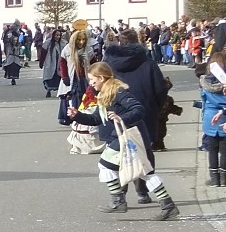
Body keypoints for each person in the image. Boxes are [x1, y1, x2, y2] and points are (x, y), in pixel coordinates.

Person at [66, 61, 179, 220]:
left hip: (131, 136)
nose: (91, 85)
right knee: (144, 170)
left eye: (93, 81)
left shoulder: (118, 91)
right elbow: (97, 118)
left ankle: (119, 201)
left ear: (102, 78)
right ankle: (168, 205)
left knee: (105, 165)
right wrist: (77, 116)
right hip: (125, 137)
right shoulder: (104, 93)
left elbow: (138, 109)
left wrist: (121, 118)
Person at [103, 29, 167, 204]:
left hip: (115, 113)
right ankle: (142, 192)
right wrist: (155, 108)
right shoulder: (148, 62)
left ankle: (120, 193)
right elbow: (160, 89)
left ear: (119, 42)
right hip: (143, 113)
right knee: (143, 153)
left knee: (117, 153)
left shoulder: (108, 62)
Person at [200, 53, 226, 187]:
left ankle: (214, 178)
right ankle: (223, 178)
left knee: (212, 149)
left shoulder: (205, 82)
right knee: (225, 149)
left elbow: (203, 99)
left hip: (210, 116)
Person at [42, 28, 66, 102]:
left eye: (59, 35)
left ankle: (60, 92)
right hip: (50, 62)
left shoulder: (63, 43)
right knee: (49, 76)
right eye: (56, 35)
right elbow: (43, 53)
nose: (57, 37)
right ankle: (48, 90)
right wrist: (41, 62)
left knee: (59, 77)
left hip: (59, 63)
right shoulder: (48, 42)